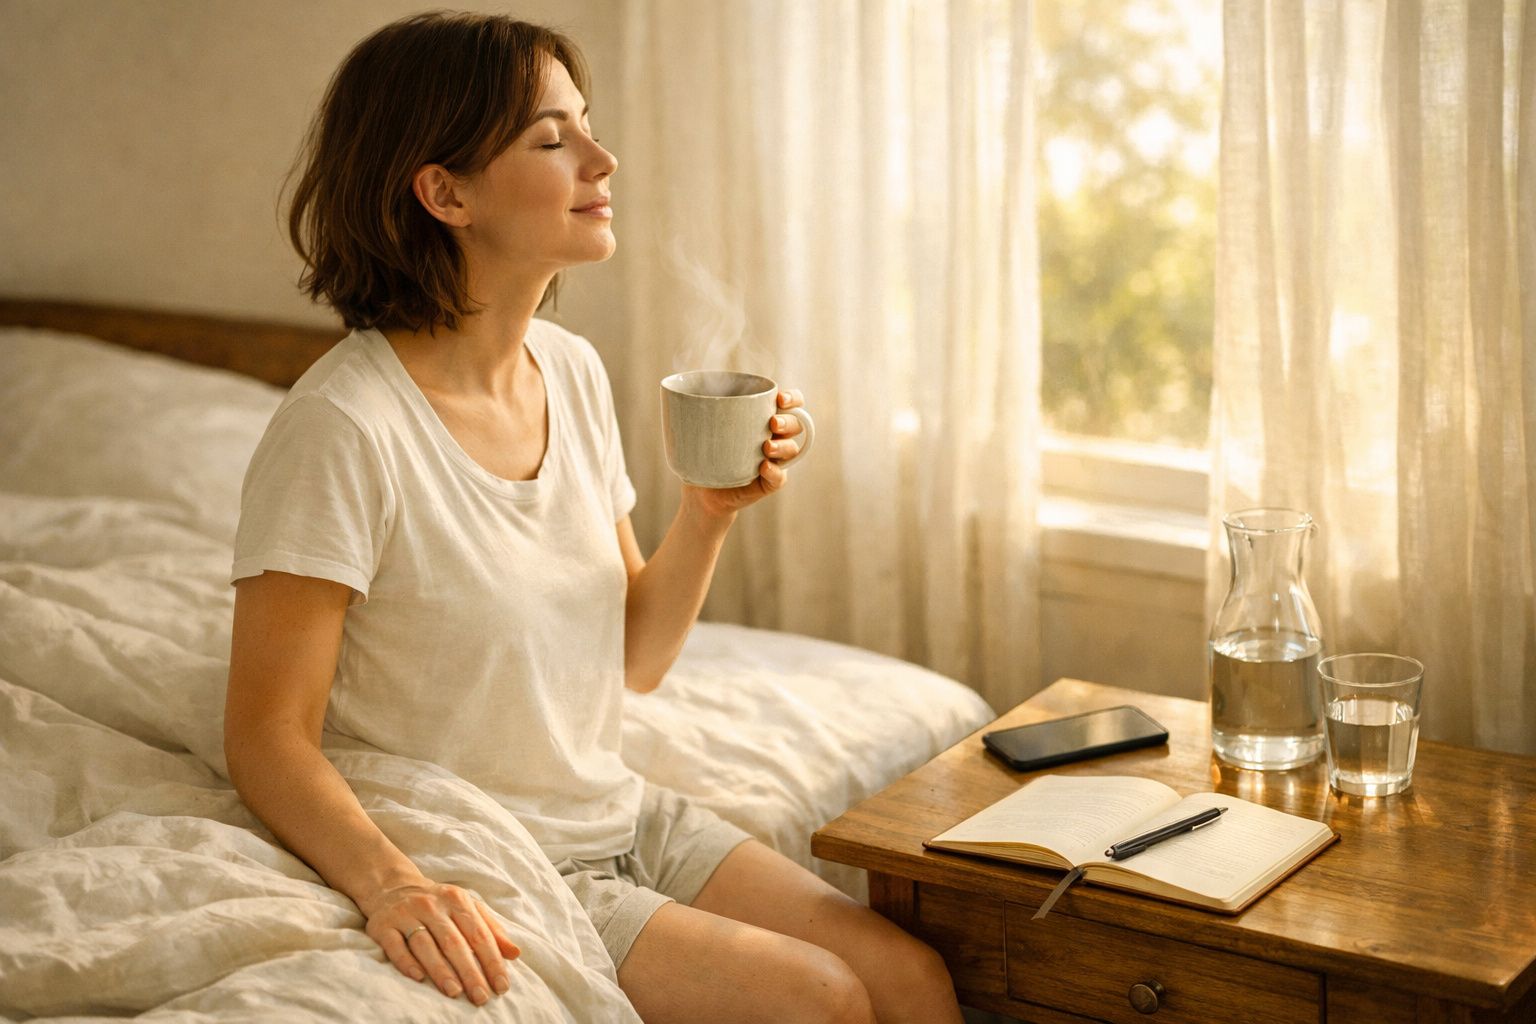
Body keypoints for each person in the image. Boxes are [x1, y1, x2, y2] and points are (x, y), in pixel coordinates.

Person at [224, 11, 962, 1023]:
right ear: (444, 192)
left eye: (588, 125)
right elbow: (266, 734)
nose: (602, 158)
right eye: (551, 138)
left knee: (911, 978)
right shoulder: (342, 427)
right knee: (821, 1001)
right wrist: (393, 883)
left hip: (615, 810)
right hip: (493, 846)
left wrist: (709, 511)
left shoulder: (569, 373)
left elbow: (634, 658)